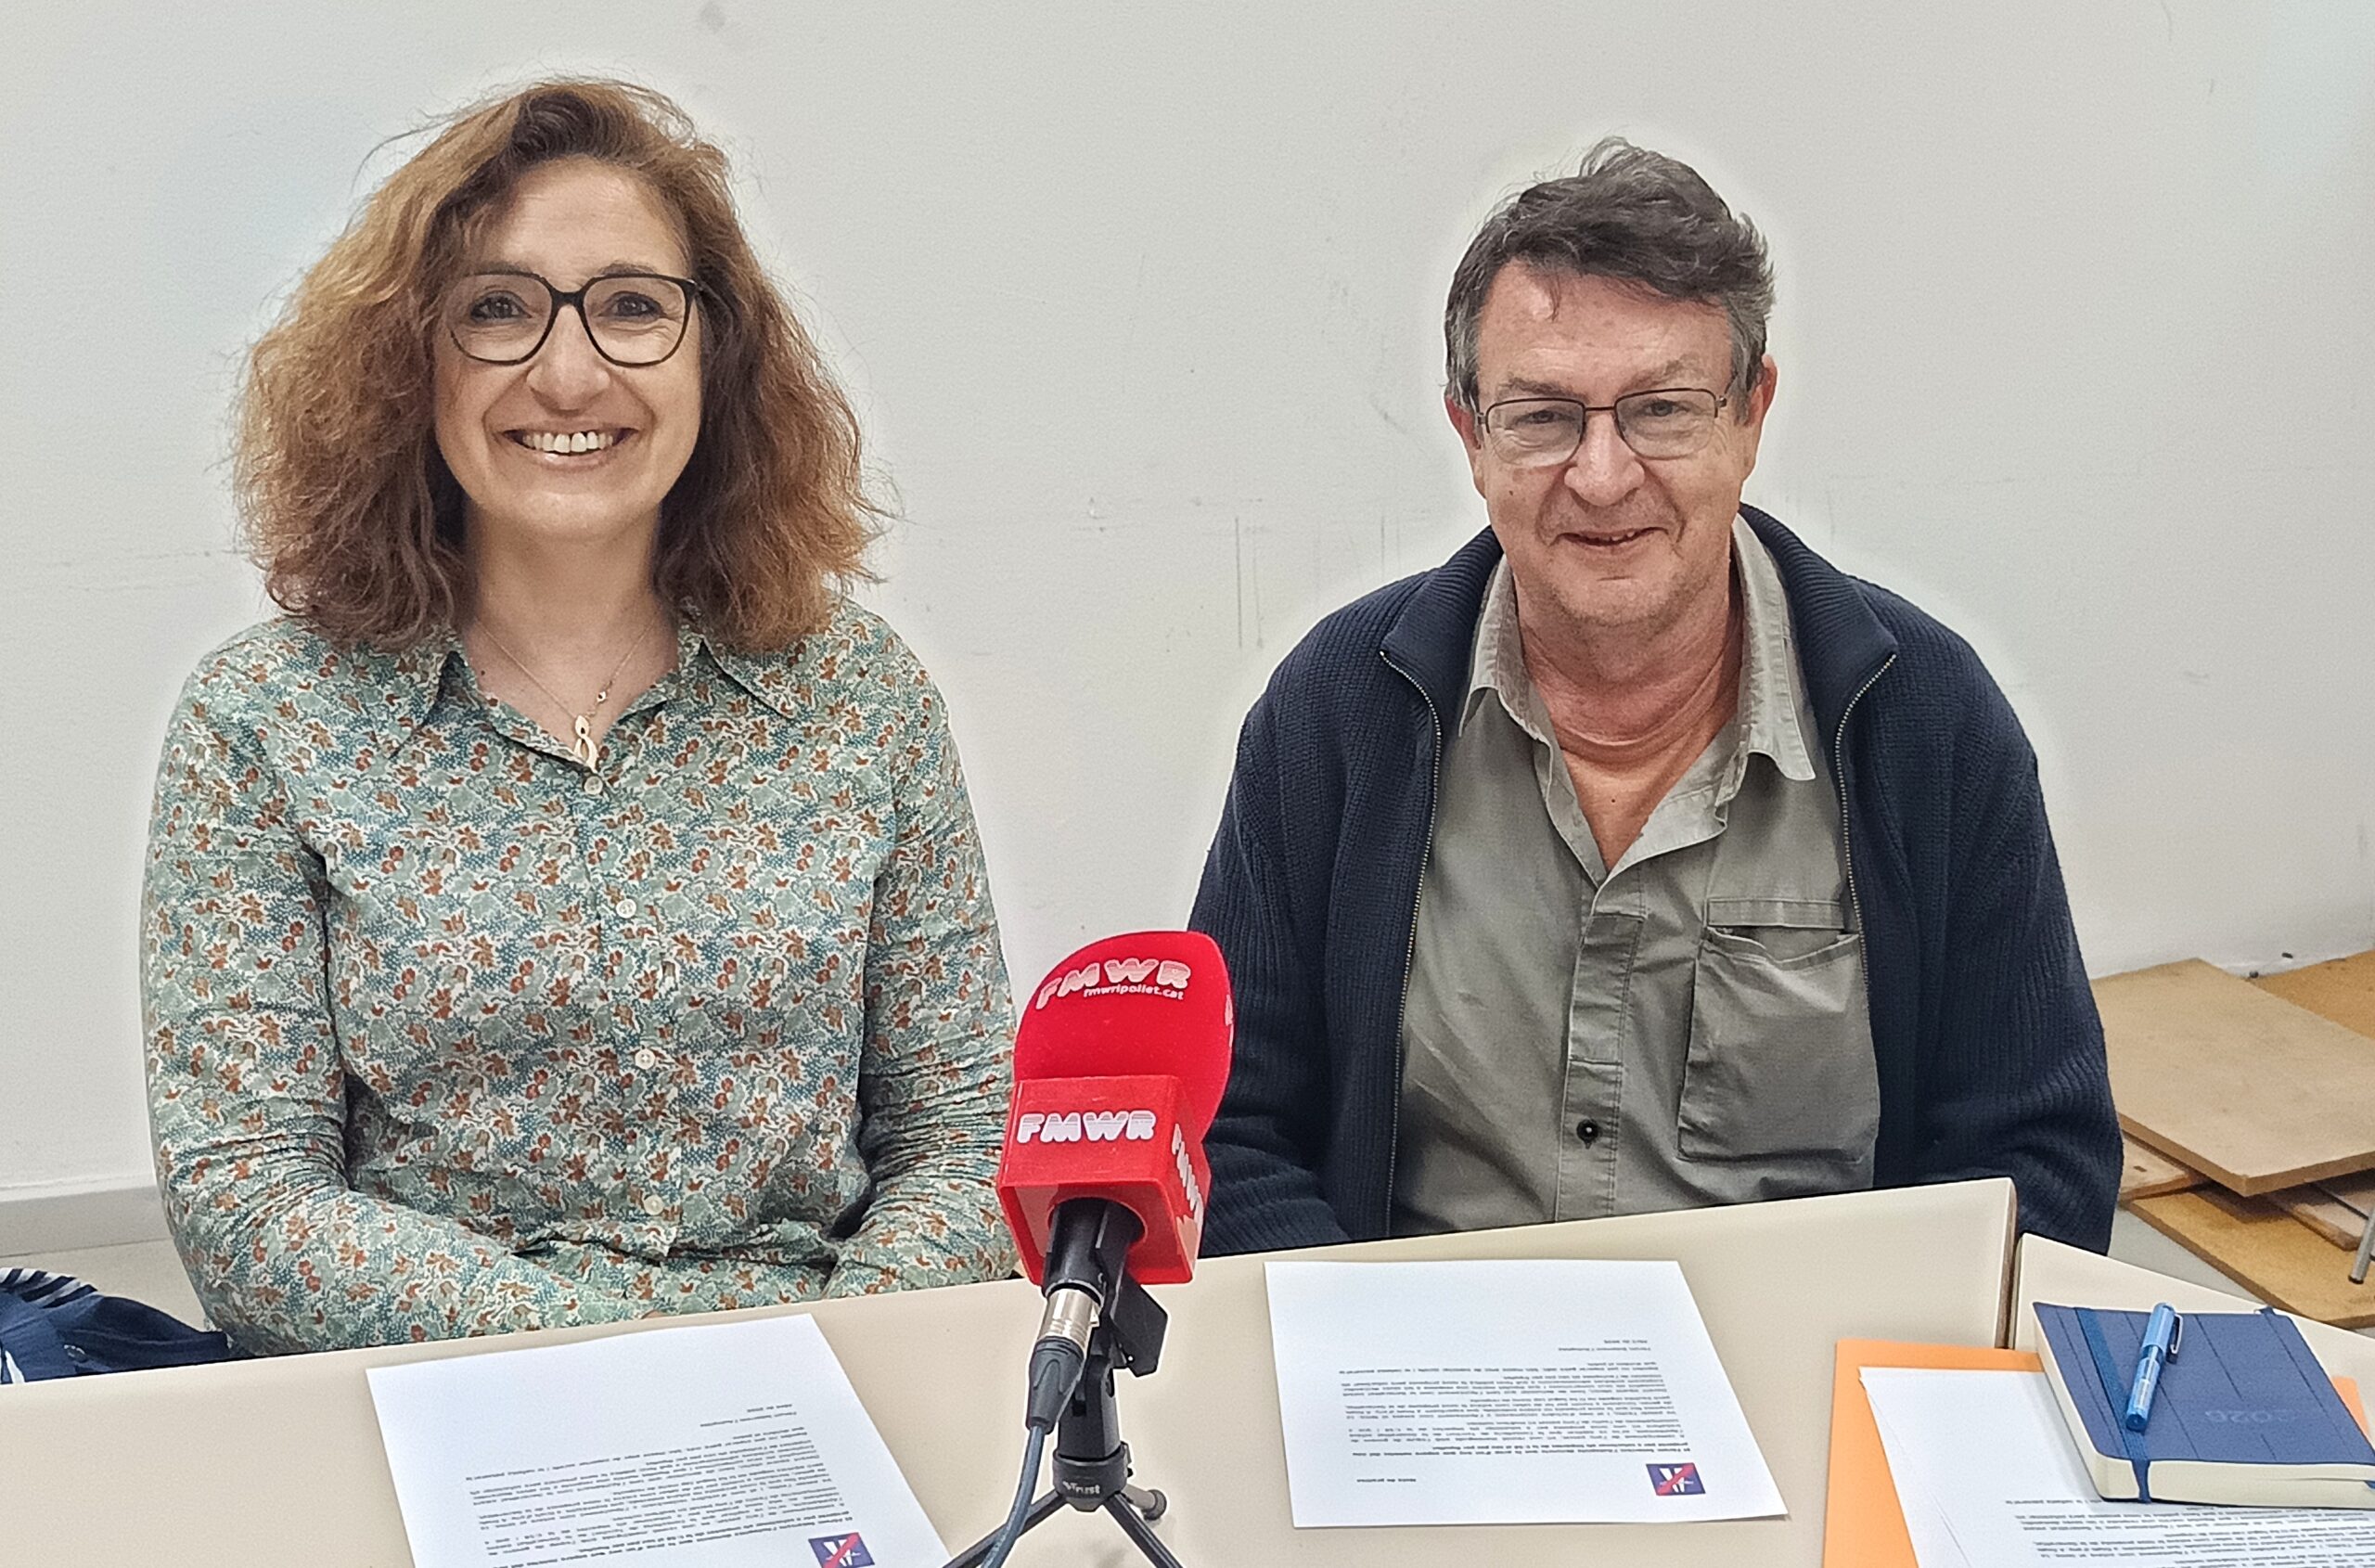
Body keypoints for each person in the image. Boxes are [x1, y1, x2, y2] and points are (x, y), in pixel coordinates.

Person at [142, 80, 1017, 1354]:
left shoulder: (859, 694)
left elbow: (965, 1132)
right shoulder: (265, 720)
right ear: (410, 362)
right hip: (445, 1397)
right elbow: (249, 1204)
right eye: (496, 309)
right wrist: (616, 1362)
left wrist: (838, 1360)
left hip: (831, 1384)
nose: (567, 372)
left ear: (715, 353)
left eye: (632, 307)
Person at [1189, 140, 2120, 1256]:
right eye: (1541, 416)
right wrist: (1372, 1341)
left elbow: (2037, 1163)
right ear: (1470, 437)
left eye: (1662, 410)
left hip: (1807, 1359)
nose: (1601, 475)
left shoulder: (1924, 721)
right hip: (1417, 1352)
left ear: (1750, 415)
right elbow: (1225, 1130)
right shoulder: (1336, 713)